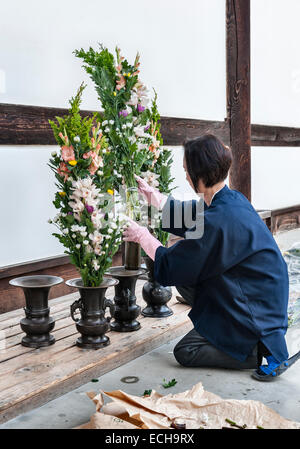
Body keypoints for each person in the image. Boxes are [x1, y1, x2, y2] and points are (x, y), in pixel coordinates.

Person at [123, 134, 300, 381]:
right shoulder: (230, 199)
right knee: (185, 282)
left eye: (187, 171)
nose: (185, 176)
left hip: (254, 309)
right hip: (257, 293)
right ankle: (229, 330)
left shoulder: (217, 221)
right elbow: (192, 218)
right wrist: (154, 197)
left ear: (201, 176)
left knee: (186, 351)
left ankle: (248, 353)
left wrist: (142, 236)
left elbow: (172, 263)